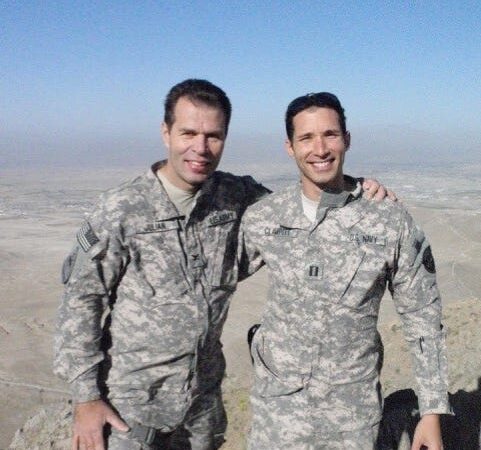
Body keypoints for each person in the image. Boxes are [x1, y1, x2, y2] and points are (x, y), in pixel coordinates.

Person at [54, 80, 392, 450]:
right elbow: (82, 301)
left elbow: (302, 207)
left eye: (213, 136)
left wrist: (356, 189)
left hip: (202, 408)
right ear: (166, 133)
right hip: (130, 409)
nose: (200, 148)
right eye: (188, 133)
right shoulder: (121, 209)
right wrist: (86, 397)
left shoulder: (234, 196)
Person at [240, 92, 451, 450]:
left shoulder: (388, 220)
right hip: (275, 416)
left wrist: (431, 413)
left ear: (347, 139)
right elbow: (210, 279)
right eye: (306, 138)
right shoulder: (264, 217)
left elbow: (423, 317)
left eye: (330, 134)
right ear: (289, 147)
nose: (319, 148)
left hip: (352, 419)